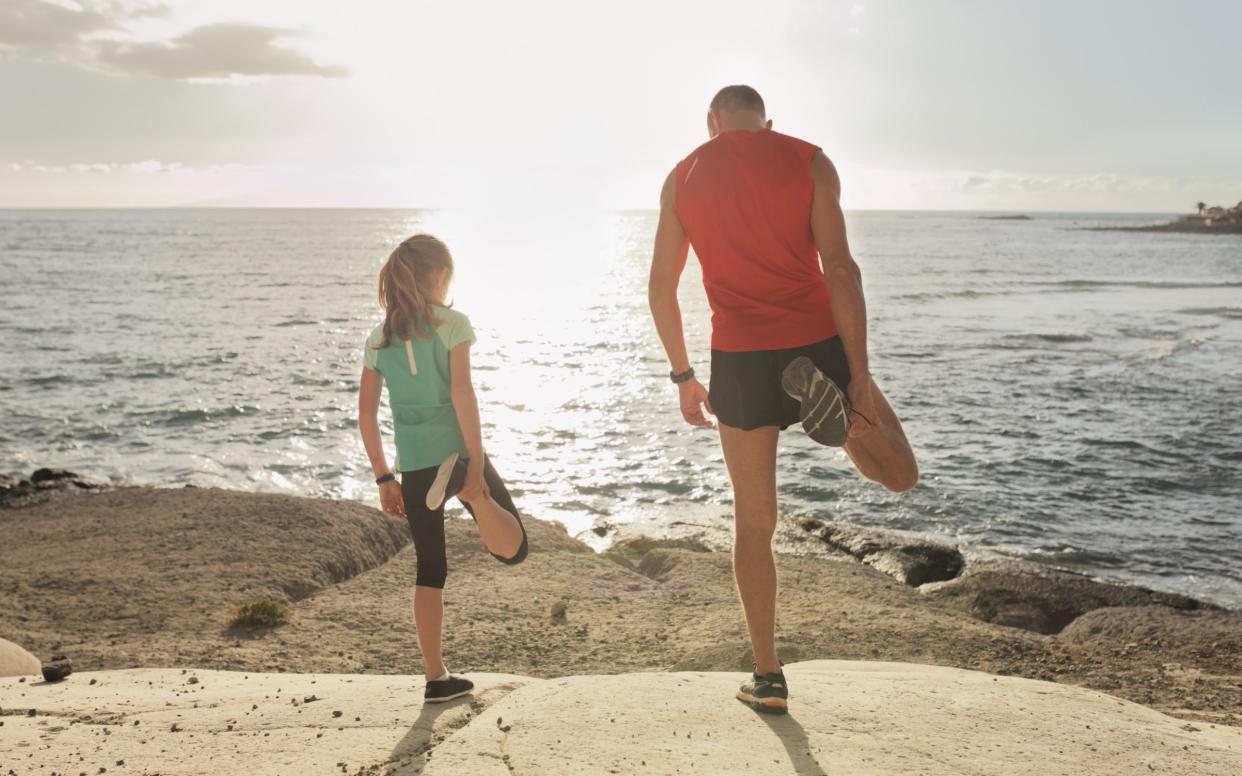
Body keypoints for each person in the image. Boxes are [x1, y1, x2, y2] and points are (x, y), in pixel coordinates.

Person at [648, 85, 919, 714]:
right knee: (900, 476)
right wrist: (857, 372)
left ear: (711, 122)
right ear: (767, 122)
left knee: (754, 524)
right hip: (816, 341)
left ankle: (768, 676)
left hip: (739, 358)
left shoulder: (683, 175)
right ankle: (846, 421)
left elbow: (662, 287)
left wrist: (683, 376)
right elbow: (842, 268)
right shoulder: (808, 159)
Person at [358, 234, 529, 703]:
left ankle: (436, 678)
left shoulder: (379, 339)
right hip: (454, 451)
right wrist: (474, 461)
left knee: (430, 568)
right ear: (437, 275)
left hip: (413, 465)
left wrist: (383, 478)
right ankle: (468, 491)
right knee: (513, 549)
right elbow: (462, 393)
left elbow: (367, 415)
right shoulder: (453, 324)